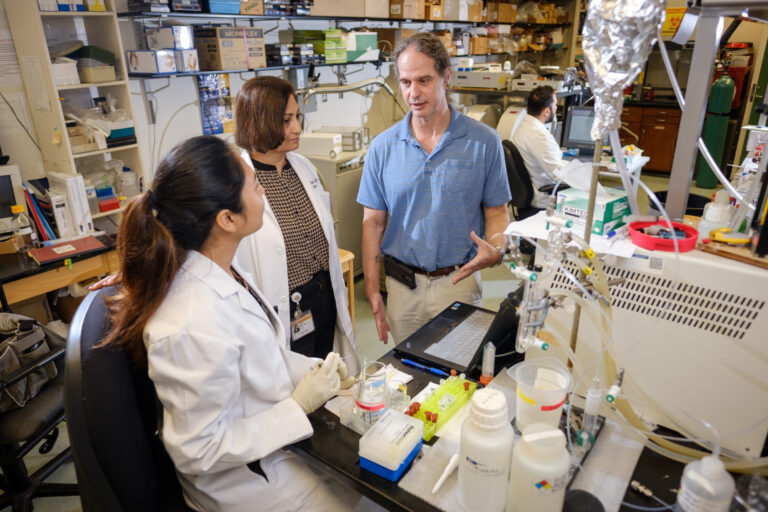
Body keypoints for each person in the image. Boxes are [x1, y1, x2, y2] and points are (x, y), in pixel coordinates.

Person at [99, 136, 357, 511]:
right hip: (243, 484)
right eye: (255, 184)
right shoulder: (188, 322)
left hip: (270, 448)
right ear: (227, 219)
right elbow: (199, 450)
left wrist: (316, 372)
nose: (264, 189)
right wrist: (298, 406)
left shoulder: (221, 268)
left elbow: (258, 357)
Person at [356, 32, 512, 344]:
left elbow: (497, 212)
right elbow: (372, 222)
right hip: (402, 288)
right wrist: (373, 290)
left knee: (458, 379)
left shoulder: (484, 142)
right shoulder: (382, 147)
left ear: (446, 78)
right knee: (406, 374)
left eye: (424, 80)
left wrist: (495, 250)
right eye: (405, 82)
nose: (413, 92)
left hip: (459, 281)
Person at [234, 76, 359, 376]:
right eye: (286, 119)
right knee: (297, 382)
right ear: (259, 121)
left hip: (324, 294)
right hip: (284, 306)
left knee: (328, 371)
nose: (298, 128)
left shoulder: (304, 167)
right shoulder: (236, 181)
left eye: (297, 117)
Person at [509, 85, 567, 208]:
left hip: (531, 191)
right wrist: (588, 177)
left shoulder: (524, 127)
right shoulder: (538, 135)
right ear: (547, 111)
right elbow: (557, 173)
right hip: (544, 198)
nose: (556, 108)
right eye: (555, 105)